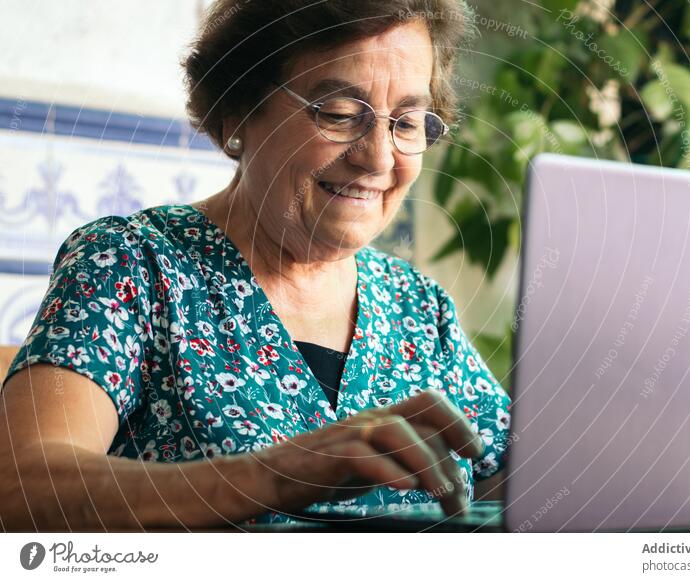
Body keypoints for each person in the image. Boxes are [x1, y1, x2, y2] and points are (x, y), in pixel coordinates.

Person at [0, 0, 511, 530]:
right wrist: (281, 472)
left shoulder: (420, 308)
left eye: (406, 122)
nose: (379, 159)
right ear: (238, 111)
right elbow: (19, 488)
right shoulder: (129, 263)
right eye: (338, 113)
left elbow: (528, 482)